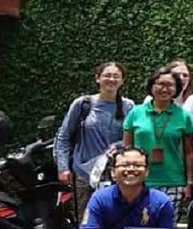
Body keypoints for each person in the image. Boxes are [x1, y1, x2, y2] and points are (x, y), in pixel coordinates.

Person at [55, 62, 135, 219]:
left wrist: (117, 147)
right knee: (85, 220)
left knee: (115, 219)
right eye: (107, 75)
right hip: (84, 174)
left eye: (116, 76)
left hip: (115, 174)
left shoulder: (129, 106)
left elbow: (132, 139)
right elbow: (63, 137)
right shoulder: (83, 104)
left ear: (122, 80)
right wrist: (63, 167)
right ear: (97, 78)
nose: (111, 79)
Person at [123, 67, 193, 220]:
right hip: (138, 179)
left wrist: (189, 182)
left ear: (177, 88)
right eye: (160, 84)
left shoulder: (183, 115)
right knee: (138, 227)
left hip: (173, 181)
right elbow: (126, 150)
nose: (165, 88)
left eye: (170, 85)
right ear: (151, 85)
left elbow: (189, 152)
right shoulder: (135, 113)